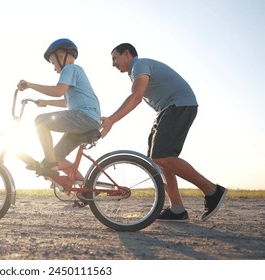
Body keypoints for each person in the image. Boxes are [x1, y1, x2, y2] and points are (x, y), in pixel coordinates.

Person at [100, 43, 227, 222]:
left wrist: (112, 120)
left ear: (127, 54)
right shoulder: (136, 70)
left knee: (162, 155)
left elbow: (136, 97)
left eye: (115, 58)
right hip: (167, 109)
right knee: (156, 159)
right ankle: (177, 209)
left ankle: (212, 191)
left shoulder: (140, 65)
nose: (113, 64)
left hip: (179, 105)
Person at [17, 38, 101, 178]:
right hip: (86, 119)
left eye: (53, 62)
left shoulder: (70, 68)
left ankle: (50, 165)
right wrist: (46, 102)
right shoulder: (76, 72)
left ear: (61, 55)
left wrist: (30, 85)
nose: (54, 67)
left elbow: (58, 91)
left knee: (40, 121)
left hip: (84, 117)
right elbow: (65, 102)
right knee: (55, 156)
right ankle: (84, 190)